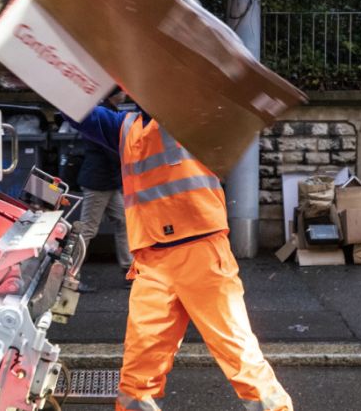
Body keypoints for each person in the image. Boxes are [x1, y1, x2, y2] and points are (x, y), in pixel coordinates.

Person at [67, 100, 293, 411]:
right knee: (139, 363)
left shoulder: (195, 116)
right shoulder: (127, 126)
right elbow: (78, 110)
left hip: (198, 250)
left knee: (236, 349)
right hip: (154, 258)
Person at [75, 88, 134, 285]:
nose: (124, 95)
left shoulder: (108, 113)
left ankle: (128, 267)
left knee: (123, 221)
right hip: (98, 182)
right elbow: (111, 150)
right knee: (87, 230)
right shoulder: (104, 115)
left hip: (108, 182)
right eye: (121, 92)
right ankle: (70, 275)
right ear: (112, 96)